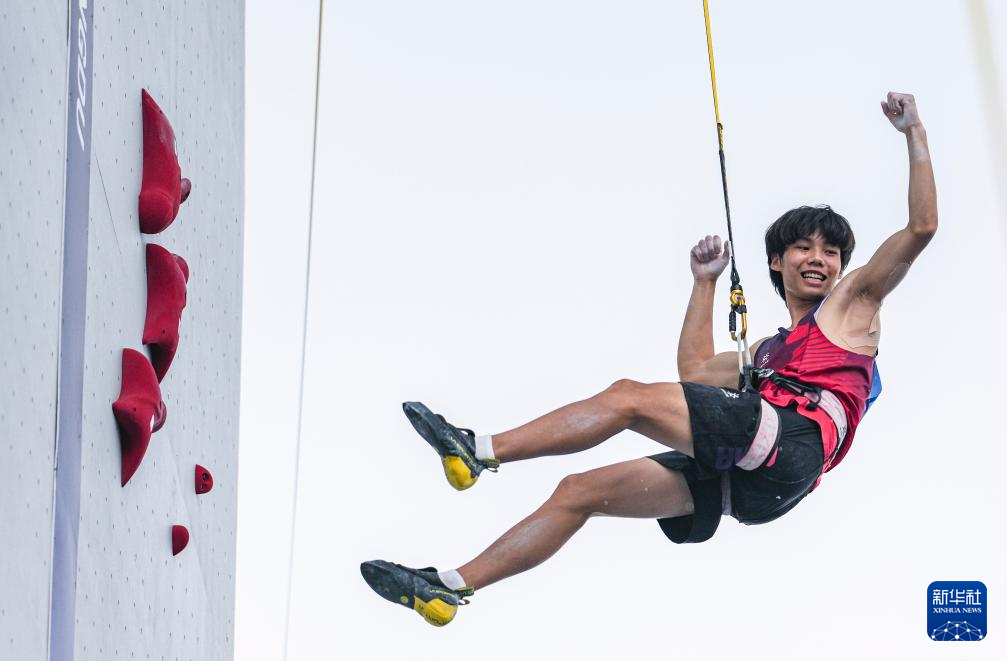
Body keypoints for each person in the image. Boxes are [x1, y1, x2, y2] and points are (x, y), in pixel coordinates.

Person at [361, 92, 937, 627]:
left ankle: (480, 450)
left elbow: (921, 227)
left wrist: (913, 132)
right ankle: (449, 587)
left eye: (831, 252)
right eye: (804, 248)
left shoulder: (853, 303)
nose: (819, 260)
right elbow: (695, 375)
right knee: (578, 491)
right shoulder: (766, 353)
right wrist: (704, 282)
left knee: (628, 398)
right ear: (775, 261)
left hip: (792, 442)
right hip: (757, 486)